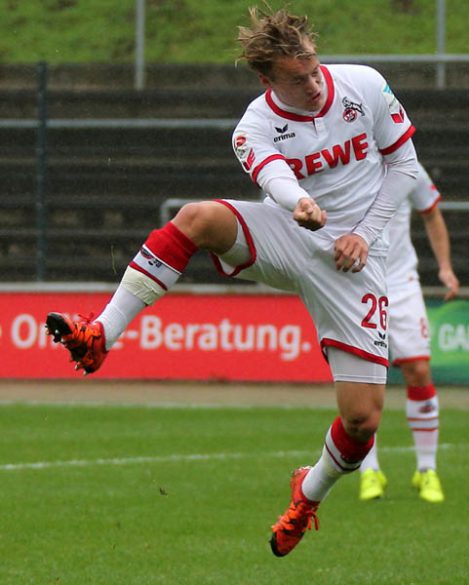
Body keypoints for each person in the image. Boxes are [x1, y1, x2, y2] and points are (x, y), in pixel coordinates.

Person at [44, 6, 420, 558]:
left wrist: (363, 233)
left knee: (361, 421)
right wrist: (301, 204)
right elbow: (273, 176)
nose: (314, 84)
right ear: (268, 80)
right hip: (292, 232)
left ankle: (308, 493)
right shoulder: (254, 126)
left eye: (314, 69)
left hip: (356, 260)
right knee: (197, 218)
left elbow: (405, 165)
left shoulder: (364, 84)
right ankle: (100, 335)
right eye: (298, 78)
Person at [358, 163, 460, 504]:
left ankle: (426, 470)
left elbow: (431, 213)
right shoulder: (343, 160)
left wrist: (445, 267)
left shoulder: (408, 166)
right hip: (356, 284)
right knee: (362, 382)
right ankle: (369, 470)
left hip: (401, 284)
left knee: (418, 370)